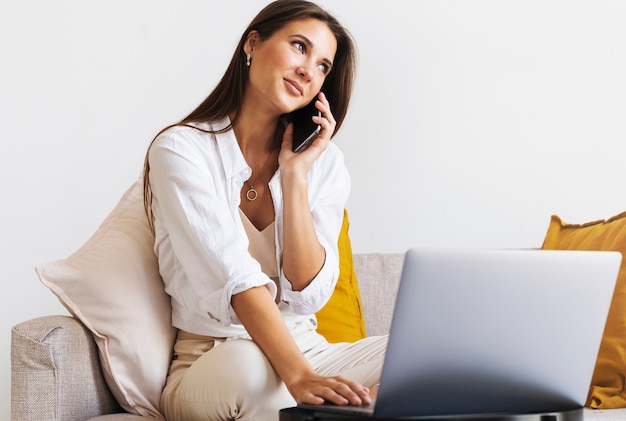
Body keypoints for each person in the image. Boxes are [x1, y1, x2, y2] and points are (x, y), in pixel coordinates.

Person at [142, 1, 387, 419]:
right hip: (214, 355)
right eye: (299, 47)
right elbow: (235, 278)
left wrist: (295, 178)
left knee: (422, 360)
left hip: (307, 349)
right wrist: (299, 378)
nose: (310, 70)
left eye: (324, 66)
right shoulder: (181, 150)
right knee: (254, 374)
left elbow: (307, 293)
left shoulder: (325, 163)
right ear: (252, 44)